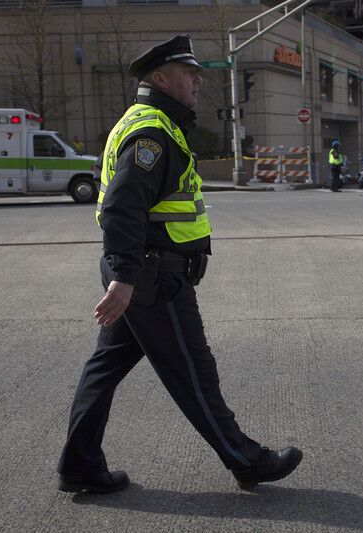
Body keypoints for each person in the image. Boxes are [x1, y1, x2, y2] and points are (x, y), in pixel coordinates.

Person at [56, 34, 302, 495]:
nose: (197, 83)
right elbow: (120, 208)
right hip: (151, 275)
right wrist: (127, 278)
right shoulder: (152, 133)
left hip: (139, 272)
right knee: (193, 371)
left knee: (105, 367)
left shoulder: (146, 123)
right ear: (160, 78)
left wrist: (123, 275)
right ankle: (246, 460)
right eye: (189, 74)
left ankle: (80, 464)